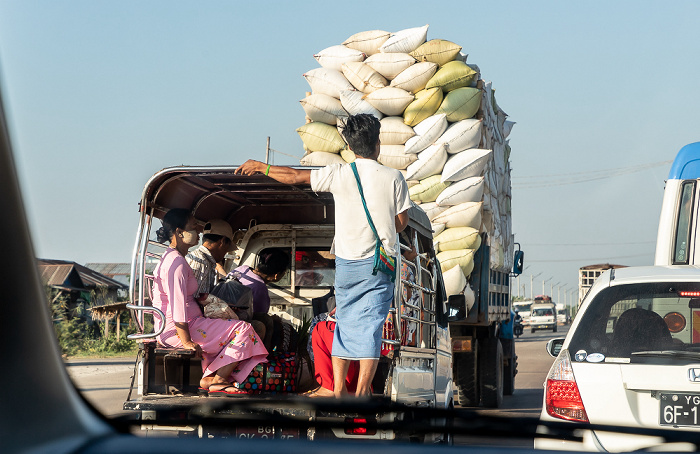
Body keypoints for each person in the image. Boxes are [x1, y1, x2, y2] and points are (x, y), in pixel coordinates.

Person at [235, 113, 411, 398]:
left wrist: (261, 166)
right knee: (368, 327)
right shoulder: (394, 178)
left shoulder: (340, 172)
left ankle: (338, 389)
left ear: (351, 147)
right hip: (378, 265)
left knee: (343, 322)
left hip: (345, 263)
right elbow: (401, 222)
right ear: (377, 144)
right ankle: (362, 392)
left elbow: (294, 176)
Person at [151, 208, 268, 395]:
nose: (198, 230)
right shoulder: (177, 263)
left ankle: (210, 377)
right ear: (180, 232)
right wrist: (187, 340)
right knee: (244, 329)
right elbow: (178, 304)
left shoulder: (175, 258)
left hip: (189, 323)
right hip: (181, 329)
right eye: (193, 226)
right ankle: (220, 380)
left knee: (237, 327)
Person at [232, 248, 290, 351]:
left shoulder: (242, 269)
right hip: (236, 322)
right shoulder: (259, 288)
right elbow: (258, 315)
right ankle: (263, 356)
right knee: (270, 322)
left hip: (222, 313)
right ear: (276, 275)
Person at [186, 219, 235, 299]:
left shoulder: (205, 261)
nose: (225, 252)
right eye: (227, 247)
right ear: (222, 241)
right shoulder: (201, 263)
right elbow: (195, 300)